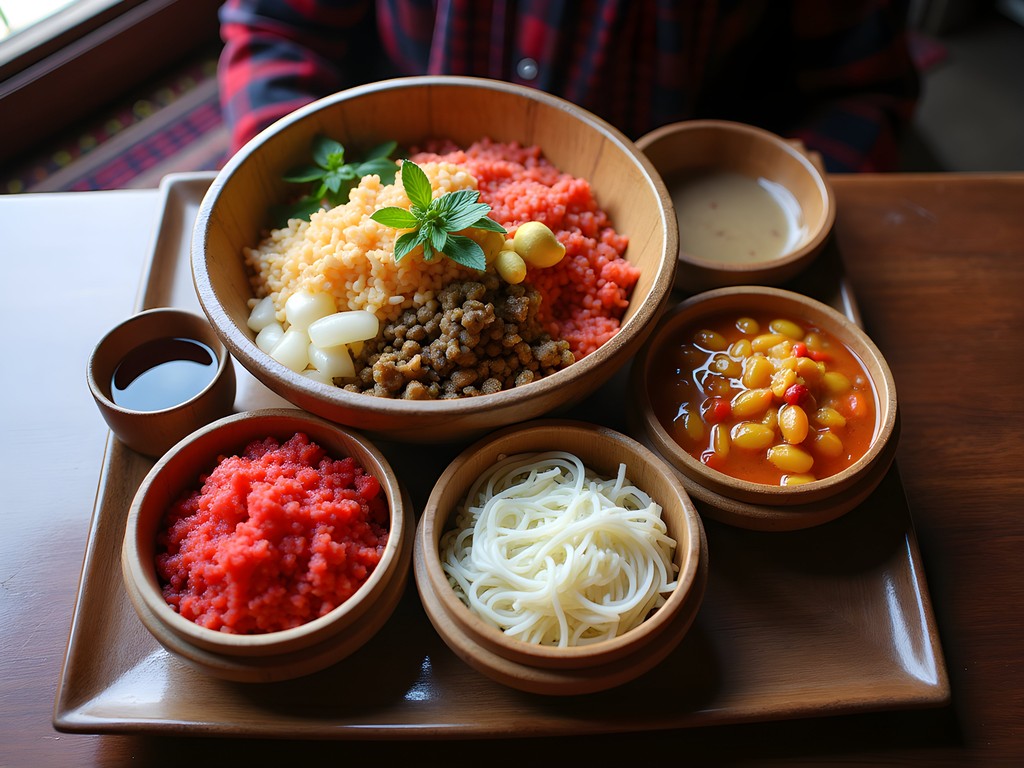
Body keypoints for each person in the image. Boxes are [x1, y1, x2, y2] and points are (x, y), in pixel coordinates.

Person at [218, 0, 920, 173]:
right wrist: (297, 185)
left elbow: (865, 94)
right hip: (403, 179)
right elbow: (276, 25)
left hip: (682, 211)